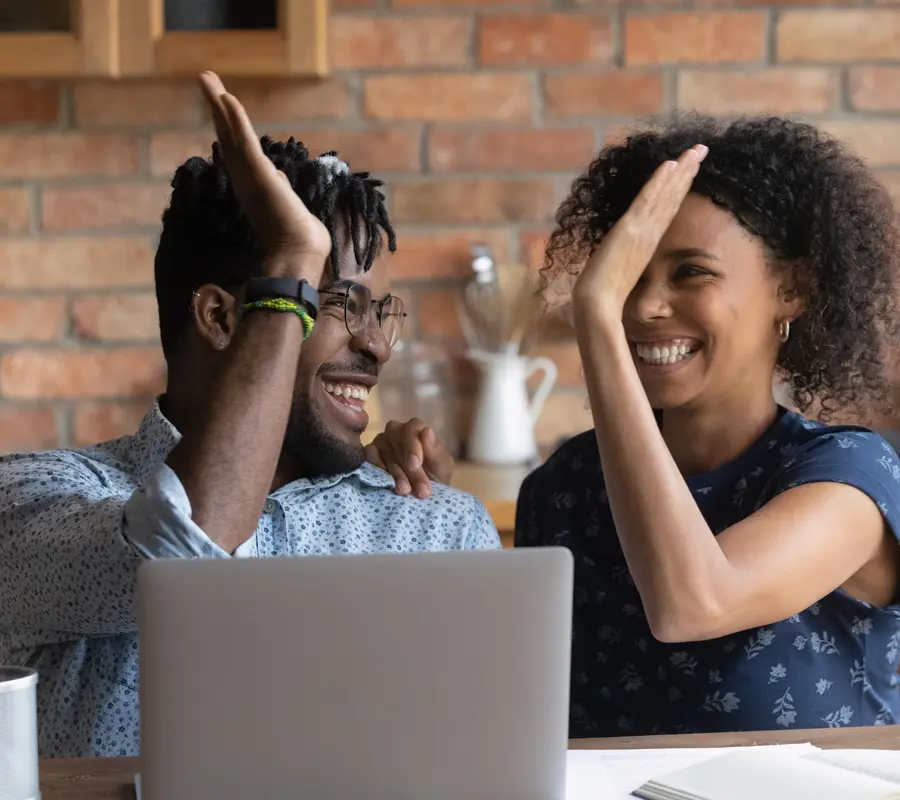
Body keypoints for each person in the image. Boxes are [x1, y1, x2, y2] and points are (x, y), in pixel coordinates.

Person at [0, 73, 498, 760]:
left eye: (379, 311)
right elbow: (182, 547)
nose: (377, 345)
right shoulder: (37, 500)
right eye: (337, 303)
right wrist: (292, 260)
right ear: (221, 317)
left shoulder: (436, 525)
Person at [371, 115, 900, 736]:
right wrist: (432, 510)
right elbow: (496, 703)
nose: (645, 306)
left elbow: (694, 603)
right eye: (630, 276)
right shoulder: (566, 486)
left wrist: (595, 313)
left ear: (793, 288)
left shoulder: (850, 481)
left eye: (691, 272)